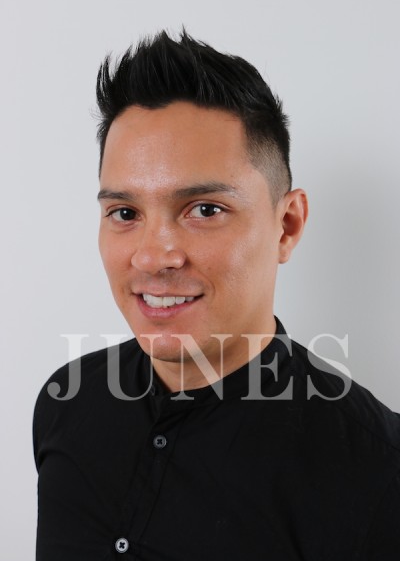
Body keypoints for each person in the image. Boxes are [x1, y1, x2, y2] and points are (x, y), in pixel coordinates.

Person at [33, 30, 400, 561]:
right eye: (125, 213)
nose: (153, 257)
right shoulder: (65, 403)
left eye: (205, 209)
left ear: (287, 226)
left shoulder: (379, 472)